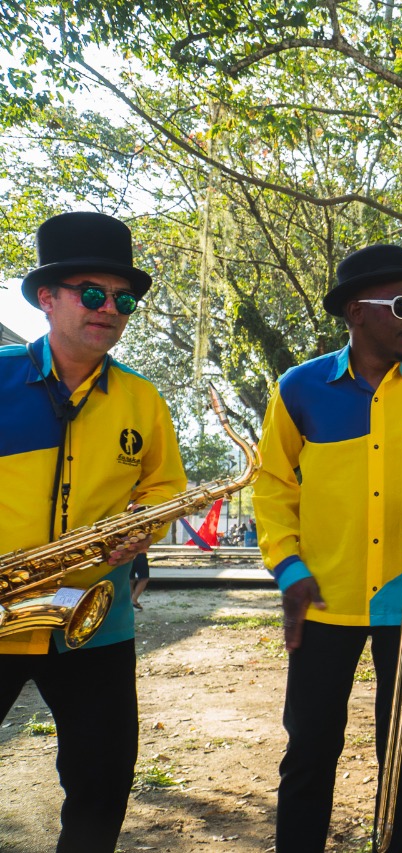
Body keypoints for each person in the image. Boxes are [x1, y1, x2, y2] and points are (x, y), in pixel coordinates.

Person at [253, 243, 402, 853]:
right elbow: (272, 487)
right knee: (309, 748)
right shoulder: (299, 387)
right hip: (324, 596)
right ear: (357, 311)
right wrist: (288, 567)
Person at [0, 211, 186, 852]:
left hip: (93, 620)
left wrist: (144, 527)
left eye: (123, 298)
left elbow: (163, 489)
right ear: (47, 299)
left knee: (103, 781)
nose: (110, 307)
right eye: (92, 293)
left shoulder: (144, 399)